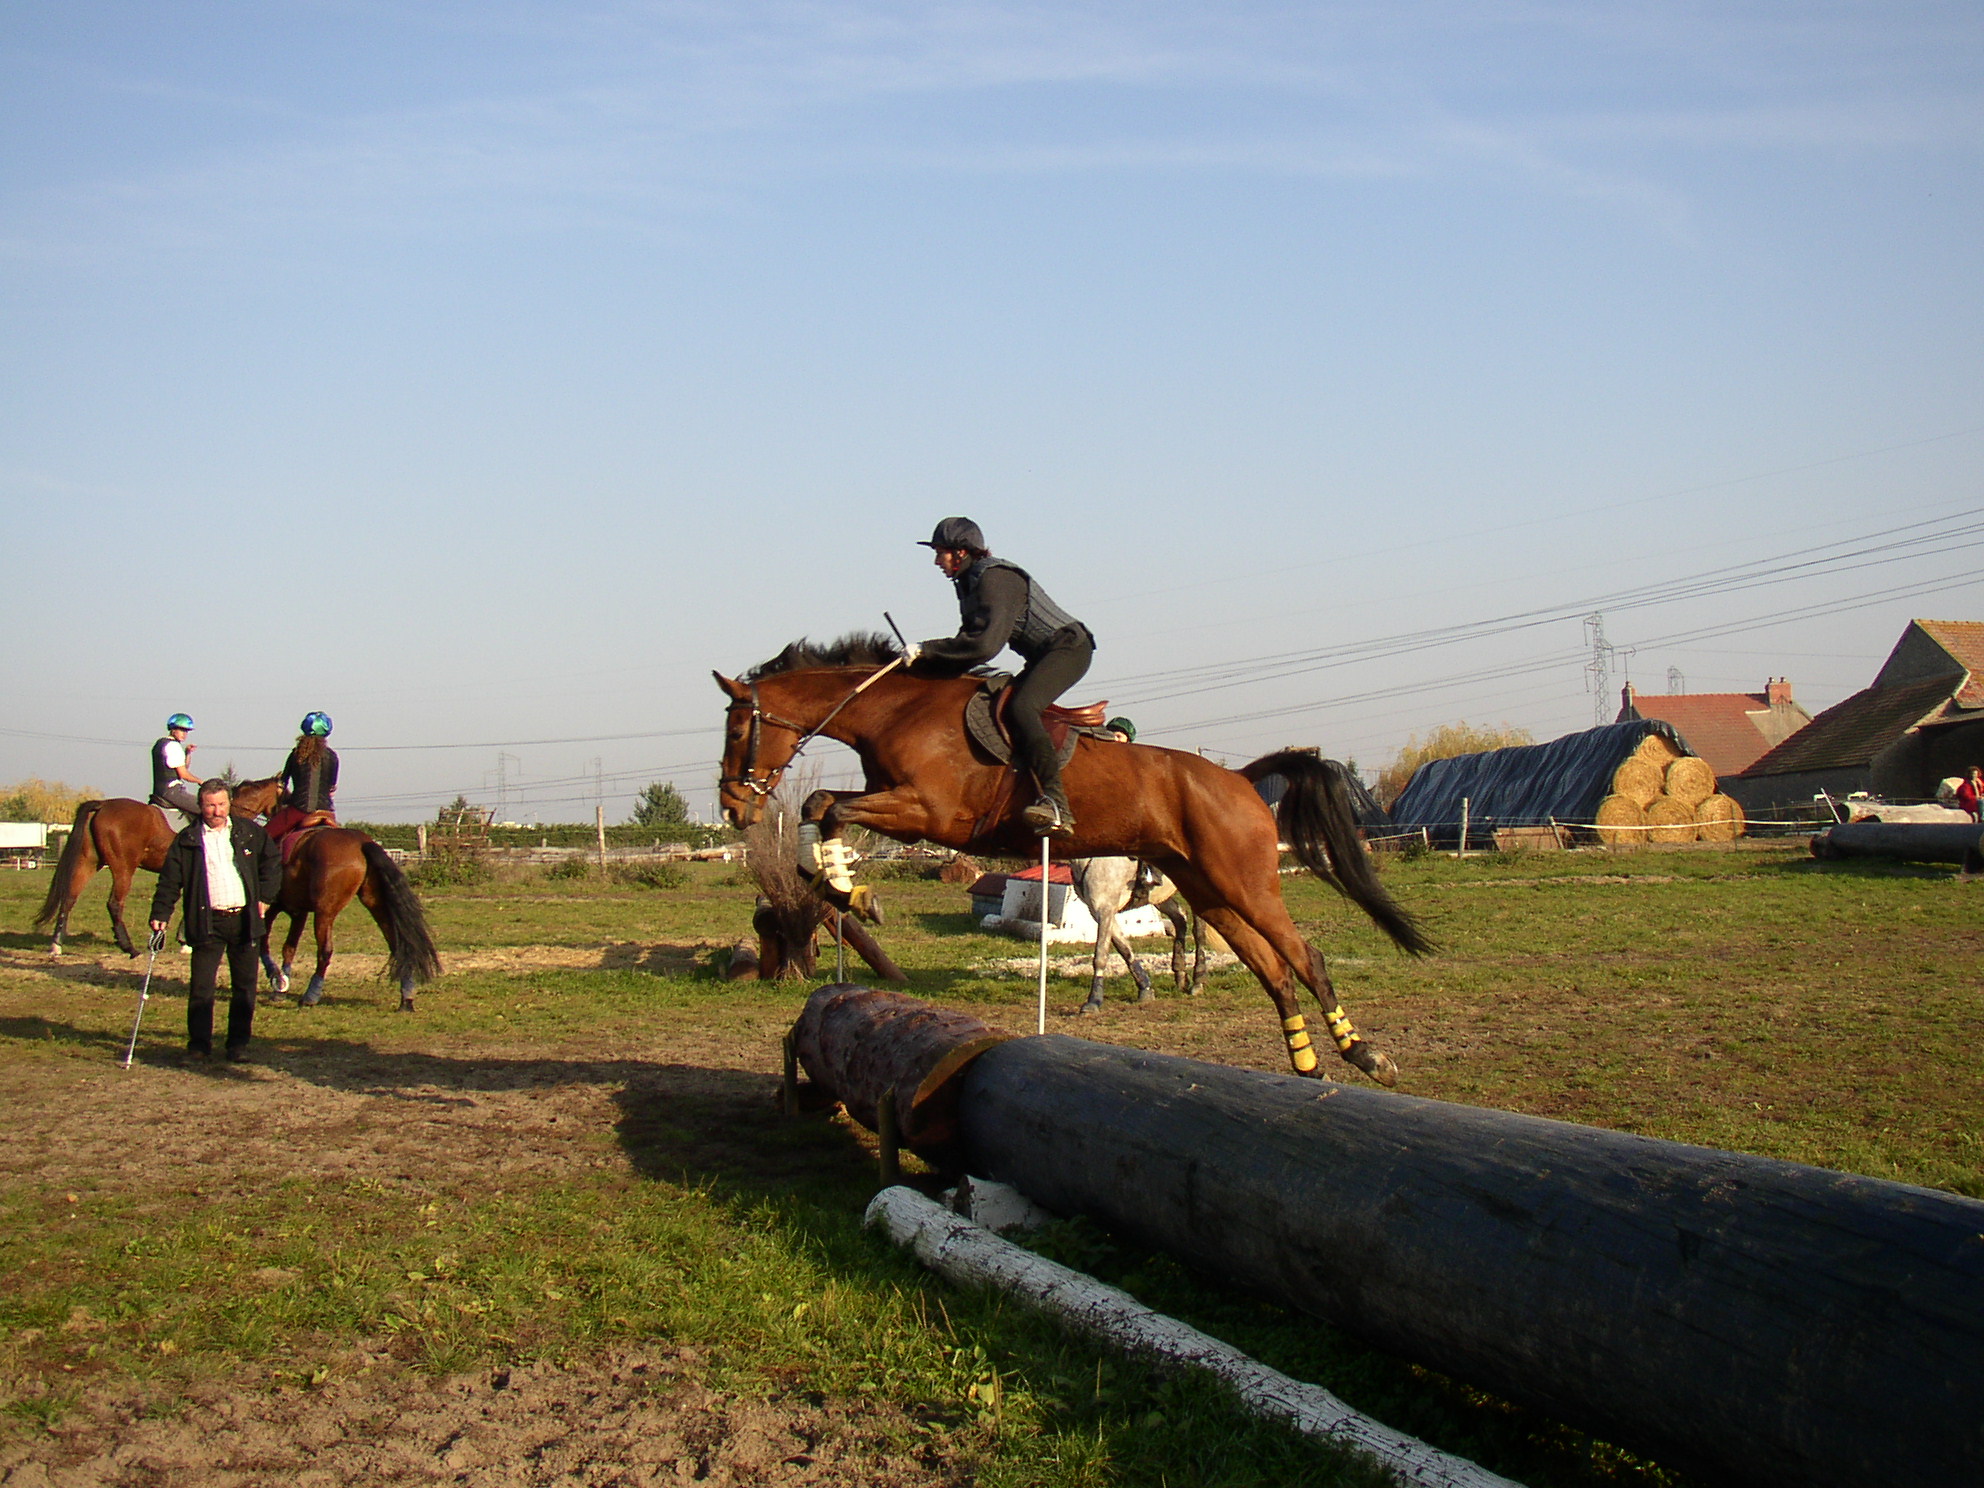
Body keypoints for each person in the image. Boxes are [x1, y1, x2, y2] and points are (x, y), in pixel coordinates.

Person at [907, 517, 1094, 836]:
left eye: (940, 553)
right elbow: (966, 645)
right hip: (1043, 656)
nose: (937, 561)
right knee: (996, 702)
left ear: (961, 552)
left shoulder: (995, 577)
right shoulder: (968, 585)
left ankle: (1057, 805)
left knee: (1022, 708)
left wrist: (927, 649)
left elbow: (983, 646)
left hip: (1069, 649)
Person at [148, 779, 281, 1062]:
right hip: (207, 921)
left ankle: (238, 1045)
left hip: (245, 920)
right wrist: (160, 913)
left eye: (221, 804)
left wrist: (266, 896)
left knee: (244, 987)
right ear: (201, 806)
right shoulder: (187, 840)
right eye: (210, 806)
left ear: (229, 803)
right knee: (201, 987)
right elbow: (169, 880)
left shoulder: (250, 833)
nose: (216, 811)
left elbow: (272, 863)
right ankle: (199, 1046)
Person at [267, 712, 339, 844]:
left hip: (300, 809)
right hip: (326, 811)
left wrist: (284, 800)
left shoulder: (296, 754)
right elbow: (331, 789)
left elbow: (281, 786)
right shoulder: (332, 756)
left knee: (263, 837)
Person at [149, 713, 202, 822]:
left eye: (186, 731)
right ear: (173, 729)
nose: (185, 734)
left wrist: (187, 753)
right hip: (172, 791)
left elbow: (182, 768)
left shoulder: (160, 743)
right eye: (182, 730)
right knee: (207, 808)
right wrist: (201, 781)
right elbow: (184, 774)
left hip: (159, 791)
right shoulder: (174, 746)